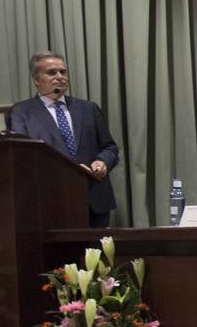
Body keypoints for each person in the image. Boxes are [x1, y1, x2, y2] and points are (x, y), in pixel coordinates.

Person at [8, 51, 119, 228]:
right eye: (52, 72)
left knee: (99, 255)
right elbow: (23, 160)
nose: (60, 76)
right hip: (51, 202)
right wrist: (71, 171)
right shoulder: (21, 113)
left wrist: (102, 162)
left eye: (63, 72)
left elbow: (110, 147)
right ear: (36, 79)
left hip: (94, 202)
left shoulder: (88, 108)